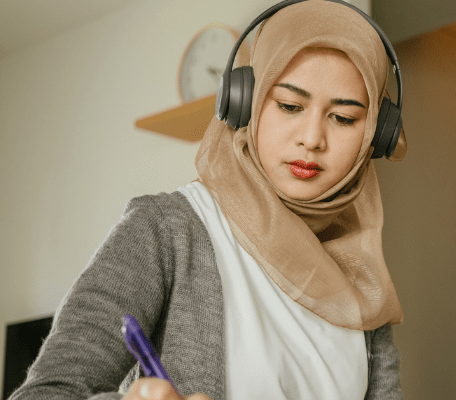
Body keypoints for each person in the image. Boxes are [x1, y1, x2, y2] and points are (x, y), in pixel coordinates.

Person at [9, 1, 407, 399]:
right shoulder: (165, 230)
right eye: (289, 105)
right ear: (245, 102)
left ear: (375, 135)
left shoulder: (363, 289)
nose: (312, 138)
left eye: (343, 118)